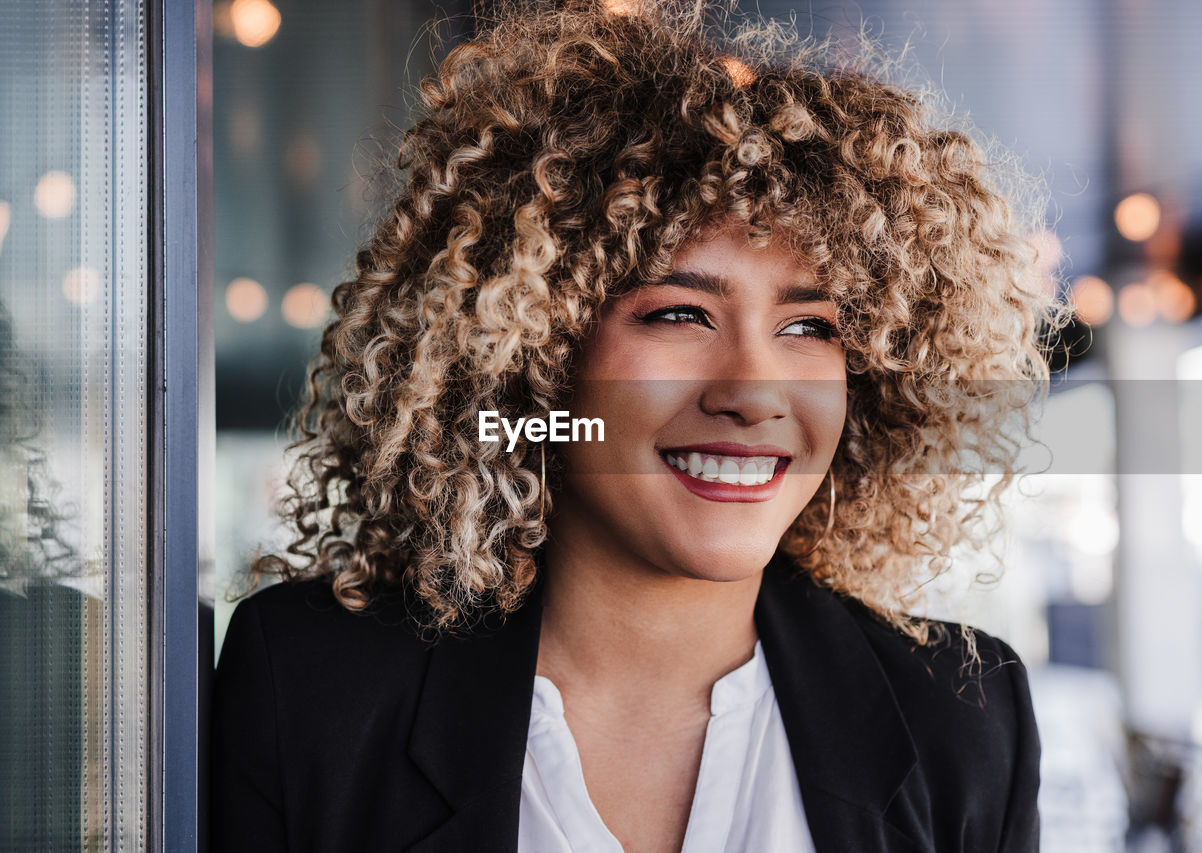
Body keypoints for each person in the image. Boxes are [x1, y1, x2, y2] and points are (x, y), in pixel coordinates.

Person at [213, 1, 1061, 850]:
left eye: (810, 328)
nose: (754, 394)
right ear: (536, 352)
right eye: (680, 315)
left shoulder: (965, 722)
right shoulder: (312, 693)